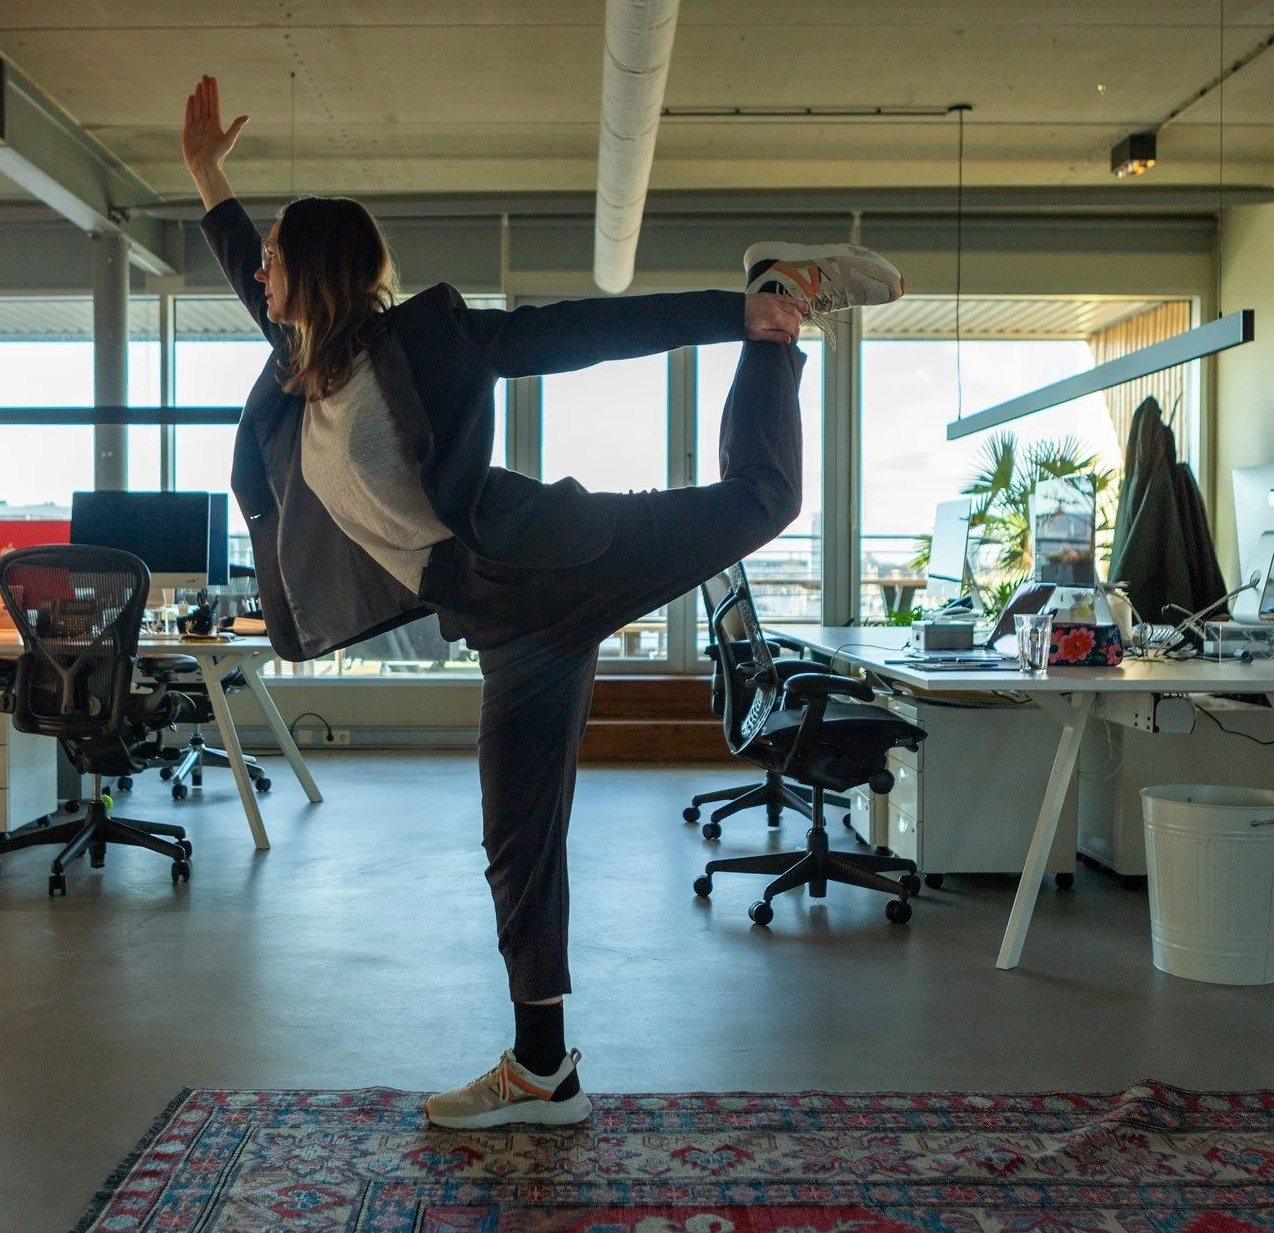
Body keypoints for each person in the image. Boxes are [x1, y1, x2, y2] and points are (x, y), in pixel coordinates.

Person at [180, 74, 903, 1129]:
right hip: (497, 621)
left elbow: (562, 335)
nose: (261, 267)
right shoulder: (300, 367)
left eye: (278, 250)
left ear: (323, 268)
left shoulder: (413, 343)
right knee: (516, 835)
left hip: (561, 562)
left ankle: (776, 310)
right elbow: (246, 272)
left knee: (764, 499)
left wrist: (732, 316)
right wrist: (207, 174)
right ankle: (542, 1068)